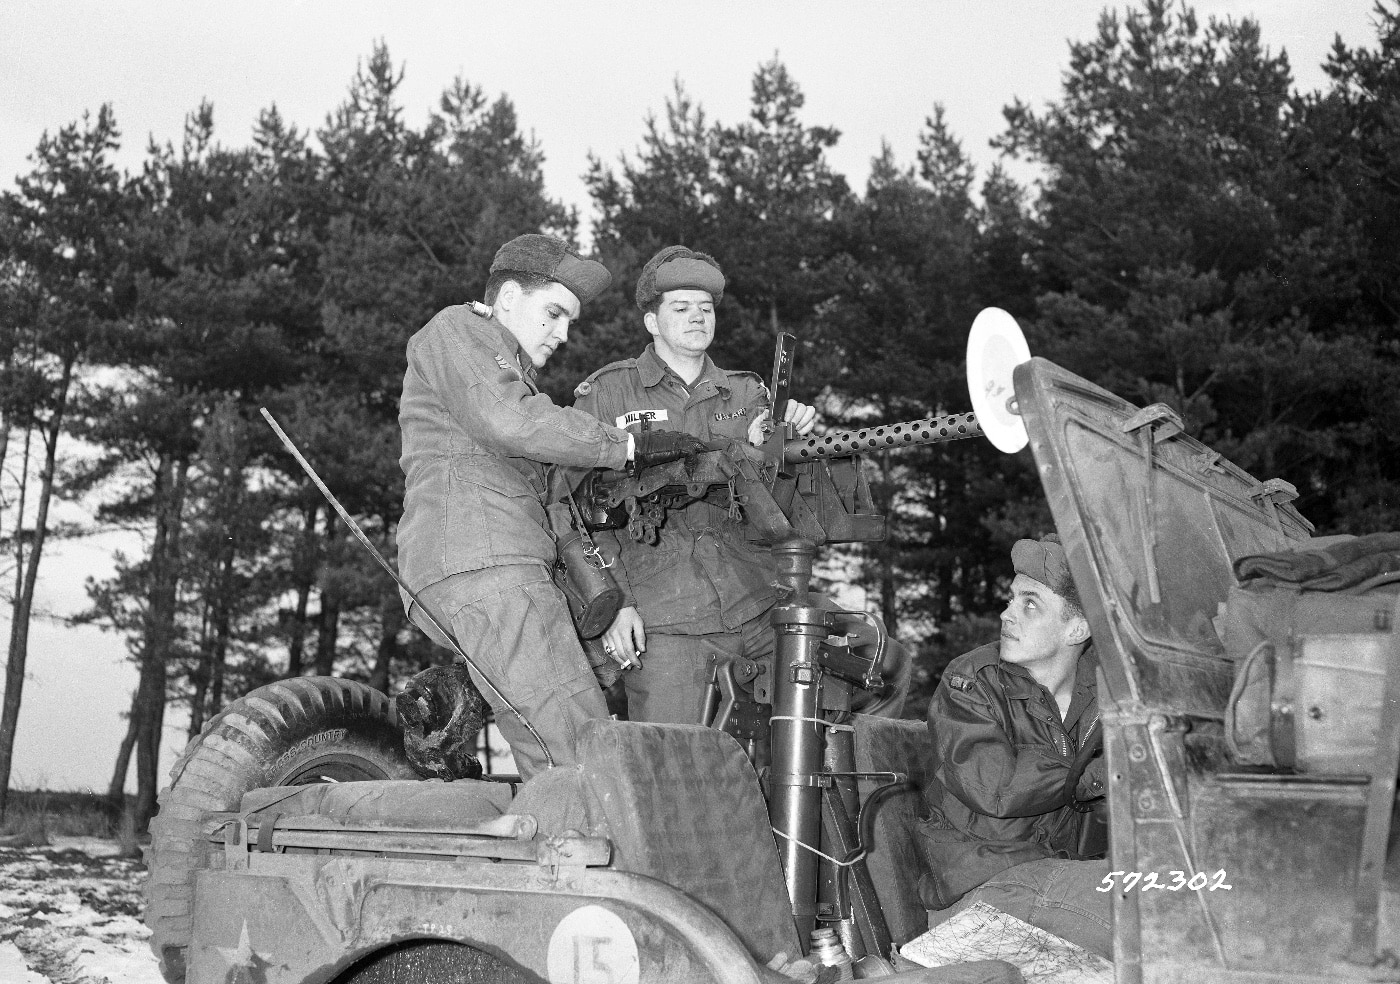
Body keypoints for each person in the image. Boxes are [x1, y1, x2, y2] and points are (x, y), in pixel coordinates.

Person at [396, 233, 701, 779]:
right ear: (508, 298)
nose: (563, 334)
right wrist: (625, 445)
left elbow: (548, 493)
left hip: (489, 567)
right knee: (584, 753)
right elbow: (509, 418)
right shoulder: (459, 330)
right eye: (554, 313)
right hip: (486, 566)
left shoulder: (506, 375)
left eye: (570, 321)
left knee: (557, 740)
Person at [571, 245, 818, 724]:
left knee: (865, 670)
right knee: (674, 770)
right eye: (681, 308)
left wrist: (790, 442)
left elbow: (783, 503)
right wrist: (614, 603)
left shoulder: (747, 392)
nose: (697, 318)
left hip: (757, 602)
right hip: (666, 618)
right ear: (652, 322)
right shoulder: (608, 392)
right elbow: (577, 510)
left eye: (705, 309)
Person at [914, 533, 1111, 956]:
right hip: (979, 896)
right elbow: (994, 785)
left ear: (1078, 629)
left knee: (1172, 889)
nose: (1006, 614)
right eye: (1012, 599)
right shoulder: (972, 682)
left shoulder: (1109, 694)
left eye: (1030, 604)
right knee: (1132, 910)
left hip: (1059, 882)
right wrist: (1094, 776)